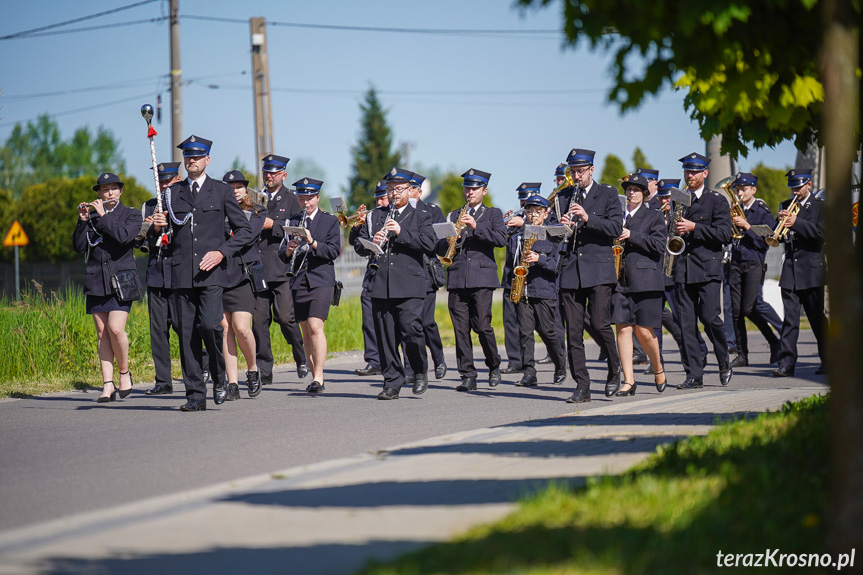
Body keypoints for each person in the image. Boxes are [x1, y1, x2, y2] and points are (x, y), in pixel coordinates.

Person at [152, 135, 252, 411]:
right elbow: (163, 235)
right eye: (188, 157)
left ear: (207, 160)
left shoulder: (221, 191)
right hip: (181, 274)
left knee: (209, 325)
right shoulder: (172, 193)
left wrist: (222, 252)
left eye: (197, 157)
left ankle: (219, 376)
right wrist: (158, 227)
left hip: (211, 275)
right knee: (187, 337)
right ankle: (195, 394)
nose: (192, 160)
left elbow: (243, 230)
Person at [355, 167, 435, 399]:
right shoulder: (376, 215)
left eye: (398, 189)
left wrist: (401, 232)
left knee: (411, 330)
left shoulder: (421, 215)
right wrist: (372, 240)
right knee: (385, 336)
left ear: (410, 190)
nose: (394, 194)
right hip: (381, 282)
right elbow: (360, 248)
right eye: (390, 189)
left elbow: (429, 244)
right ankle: (392, 381)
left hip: (410, 284)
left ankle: (419, 371)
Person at [553, 148, 623, 403]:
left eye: (580, 171)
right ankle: (582, 385)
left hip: (599, 269)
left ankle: (615, 369)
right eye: (572, 171)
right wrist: (560, 228)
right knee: (573, 332)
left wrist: (587, 217)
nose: (576, 176)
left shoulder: (607, 193)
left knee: (600, 324)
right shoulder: (562, 196)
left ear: (592, 169)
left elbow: (615, 227)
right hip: (571, 270)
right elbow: (551, 232)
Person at [73, 173, 143, 403]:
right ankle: (107, 384)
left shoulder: (131, 214)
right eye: (105, 190)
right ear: (99, 194)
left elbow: (124, 238)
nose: (109, 193)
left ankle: (124, 373)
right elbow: (79, 246)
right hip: (96, 280)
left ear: (120, 191)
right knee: (102, 333)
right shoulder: (92, 217)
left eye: (113, 189)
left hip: (122, 280)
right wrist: (83, 221)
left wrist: (103, 216)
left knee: (115, 329)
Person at [437, 168, 507, 392]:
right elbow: (439, 247)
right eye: (467, 188)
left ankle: (494, 365)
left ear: (484, 190)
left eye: (474, 188)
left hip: (482, 277)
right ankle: (468, 374)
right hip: (457, 277)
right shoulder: (453, 215)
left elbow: (501, 239)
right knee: (460, 329)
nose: (469, 192)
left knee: (482, 325)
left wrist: (476, 226)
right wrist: (448, 239)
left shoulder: (493, 214)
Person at [672, 152, 733, 389]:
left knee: (710, 319)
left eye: (694, 172)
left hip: (707, 269)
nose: (690, 176)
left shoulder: (716, 201)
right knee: (687, 325)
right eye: (687, 172)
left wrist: (694, 227)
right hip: (683, 269)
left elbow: (724, 234)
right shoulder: (680, 199)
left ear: (705, 173)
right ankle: (694, 375)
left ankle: (723, 360)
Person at [278, 178, 341, 393]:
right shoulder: (293, 220)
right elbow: (282, 254)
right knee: (305, 331)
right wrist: (288, 249)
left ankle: (320, 376)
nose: (306, 202)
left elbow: (333, 251)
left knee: (315, 326)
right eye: (302, 198)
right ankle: (314, 376)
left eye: (309, 198)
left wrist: (313, 242)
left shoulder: (329, 221)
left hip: (321, 279)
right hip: (299, 281)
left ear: (317, 197)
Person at [252, 154, 309, 385]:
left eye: (274, 173)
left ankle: (300, 354)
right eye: (267, 172)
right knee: (259, 322)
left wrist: (272, 225)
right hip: (257, 267)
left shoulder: (292, 199)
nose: (269, 176)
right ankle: (264, 371)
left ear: (284, 175)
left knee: (286, 318)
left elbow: (298, 228)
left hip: (282, 267)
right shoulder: (256, 199)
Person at [610, 174, 668, 396]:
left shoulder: (653, 216)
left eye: (636, 189)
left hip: (646, 281)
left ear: (644, 194)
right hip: (620, 279)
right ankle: (629, 380)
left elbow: (658, 245)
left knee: (644, 331)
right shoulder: (618, 217)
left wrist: (631, 235)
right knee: (622, 328)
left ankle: (658, 367)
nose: (631, 192)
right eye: (628, 189)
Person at [501, 195, 567, 387]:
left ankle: (560, 364)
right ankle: (529, 372)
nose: (533, 216)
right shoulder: (518, 235)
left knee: (548, 331)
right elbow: (510, 263)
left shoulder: (554, 235)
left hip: (544, 290)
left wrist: (539, 259)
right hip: (522, 289)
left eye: (538, 211)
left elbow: (557, 265)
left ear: (546, 213)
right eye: (529, 211)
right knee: (525, 333)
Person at [772, 169, 828, 377]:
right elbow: (776, 236)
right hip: (790, 271)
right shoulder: (785, 206)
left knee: (817, 319)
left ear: (809, 185)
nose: (795, 191)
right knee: (790, 320)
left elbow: (822, 234)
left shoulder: (821, 207)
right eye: (792, 187)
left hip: (812, 270)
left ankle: (828, 360)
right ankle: (786, 364)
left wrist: (797, 223)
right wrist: (776, 224)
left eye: (799, 186)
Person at [219, 170, 266, 400]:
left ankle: (253, 369)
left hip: (243, 274)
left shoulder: (256, 211)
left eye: (239, 187)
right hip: (220, 272)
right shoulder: (216, 213)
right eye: (230, 187)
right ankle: (232, 383)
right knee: (225, 328)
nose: (235, 191)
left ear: (246, 190)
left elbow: (247, 235)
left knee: (241, 327)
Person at [137, 162, 182, 396]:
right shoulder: (149, 206)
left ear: (177, 179)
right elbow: (141, 240)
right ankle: (163, 381)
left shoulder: (184, 203)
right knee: (158, 330)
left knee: (184, 327)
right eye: (160, 181)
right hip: (156, 274)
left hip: (179, 274)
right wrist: (154, 229)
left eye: (168, 180)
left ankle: (201, 366)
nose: (164, 185)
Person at [727, 172, 781, 368]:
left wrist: (747, 226)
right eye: (737, 189)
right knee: (735, 311)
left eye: (743, 189)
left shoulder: (762, 210)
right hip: (735, 262)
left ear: (753, 190)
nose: (739, 192)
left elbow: (765, 242)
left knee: (749, 308)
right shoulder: (735, 209)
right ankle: (742, 355)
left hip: (753, 263)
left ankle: (774, 341)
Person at [406, 172, 448, 381]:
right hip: (404, 273)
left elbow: (437, 244)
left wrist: (449, 240)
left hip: (425, 271)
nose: (407, 192)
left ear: (419, 192)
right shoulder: (397, 212)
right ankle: (411, 368)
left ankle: (438, 359)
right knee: (407, 322)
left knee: (426, 321)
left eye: (411, 189)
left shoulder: (432, 211)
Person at [352, 180, 388, 377]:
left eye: (383, 198)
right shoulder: (372, 216)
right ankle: (374, 361)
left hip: (394, 274)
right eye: (378, 198)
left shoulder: (398, 215)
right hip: (373, 272)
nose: (380, 202)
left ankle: (401, 362)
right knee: (368, 319)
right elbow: (357, 245)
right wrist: (368, 242)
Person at [500, 182, 536, 375]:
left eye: (528, 200)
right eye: (522, 200)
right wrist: (503, 225)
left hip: (534, 279)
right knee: (510, 322)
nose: (524, 204)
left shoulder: (542, 218)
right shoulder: (515, 219)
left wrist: (525, 224)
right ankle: (515, 361)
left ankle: (556, 359)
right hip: (511, 278)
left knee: (539, 325)